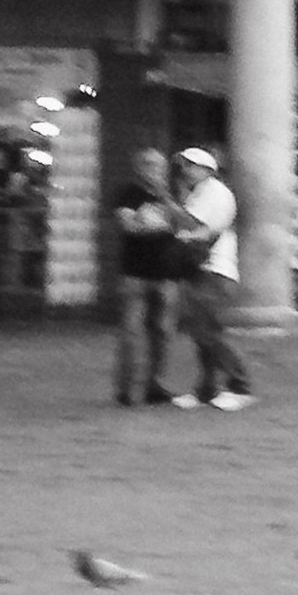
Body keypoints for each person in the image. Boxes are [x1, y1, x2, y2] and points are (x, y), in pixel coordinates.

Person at [170, 148, 256, 411]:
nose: (185, 170)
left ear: (207, 169)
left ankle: (240, 386)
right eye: (184, 165)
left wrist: (166, 203)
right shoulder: (200, 193)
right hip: (204, 270)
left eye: (191, 165)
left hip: (214, 270)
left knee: (209, 332)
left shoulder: (213, 192)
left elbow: (190, 224)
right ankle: (206, 389)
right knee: (201, 332)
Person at [112, 146, 190, 407]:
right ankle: (127, 388)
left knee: (163, 332)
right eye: (147, 164)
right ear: (138, 167)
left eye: (157, 165)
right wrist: (160, 226)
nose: (153, 169)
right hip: (135, 274)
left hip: (167, 275)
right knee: (131, 332)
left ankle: (154, 384)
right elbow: (129, 226)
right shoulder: (128, 194)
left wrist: (164, 200)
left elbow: (185, 224)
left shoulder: (173, 194)